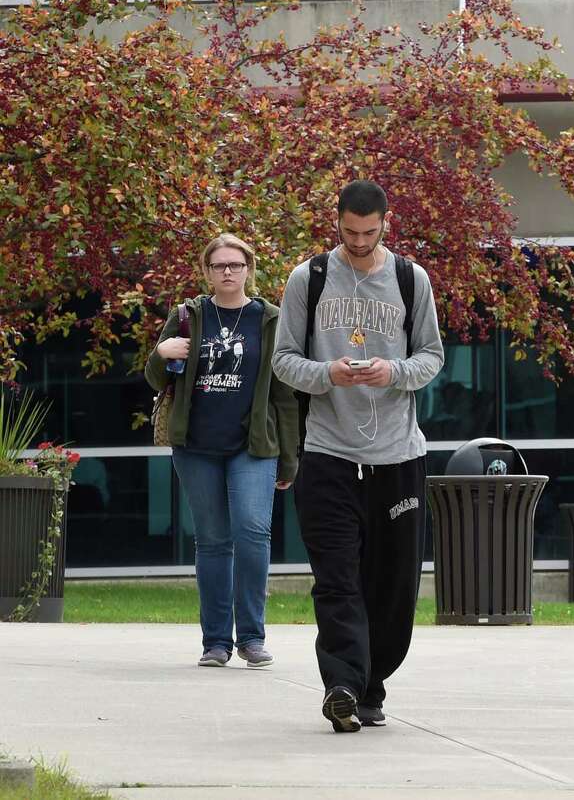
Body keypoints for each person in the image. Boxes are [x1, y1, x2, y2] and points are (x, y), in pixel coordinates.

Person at [273, 180, 444, 733]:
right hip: (328, 455)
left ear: (385, 224)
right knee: (337, 578)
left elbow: (433, 357)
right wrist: (327, 374)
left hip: (398, 457)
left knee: (393, 583)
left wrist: (394, 372)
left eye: (370, 233)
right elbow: (283, 361)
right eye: (350, 232)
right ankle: (342, 685)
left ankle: (371, 685)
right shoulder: (310, 278)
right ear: (337, 222)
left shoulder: (410, 280)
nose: (360, 241)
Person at [145, 233, 298, 668]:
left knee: (252, 534)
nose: (227, 271)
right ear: (207, 271)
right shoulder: (188, 316)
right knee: (212, 541)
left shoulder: (270, 318)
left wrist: (289, 458)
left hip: (253, 446)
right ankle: (215, 642)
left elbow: (285, 397)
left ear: (249, 268)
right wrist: (161, 352)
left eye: (235, 264)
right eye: (218, 266)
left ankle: (251, 637)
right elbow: (156, 378)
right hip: (196, 447)